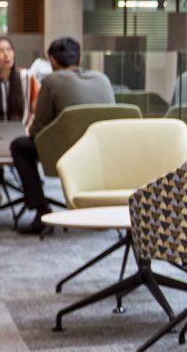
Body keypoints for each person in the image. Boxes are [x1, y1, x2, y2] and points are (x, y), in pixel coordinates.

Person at [10, 37, 114, 233]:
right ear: (80, 60)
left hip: (65, 154)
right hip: (100, 156)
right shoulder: (102, 79)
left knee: (20, 146)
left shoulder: (51, 81)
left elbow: (37, 130)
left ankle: (41, 210)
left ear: (52, 61)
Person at [0, 37, 32, 125]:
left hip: (20, 133)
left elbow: (35, 111)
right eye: (0, 51)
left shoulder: (26, 78)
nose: (6, 54)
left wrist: (28, 128)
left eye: (9, 49)